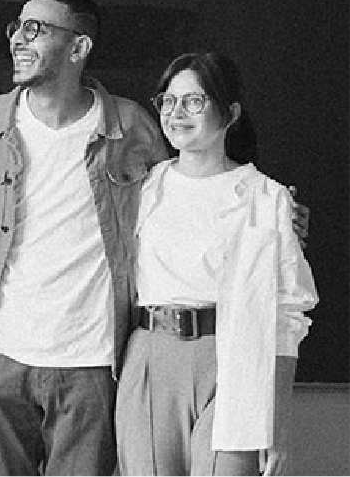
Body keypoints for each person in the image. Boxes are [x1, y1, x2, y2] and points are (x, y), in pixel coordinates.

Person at [0, 0, 167, 477]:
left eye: (35, 29)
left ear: (78, 47)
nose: (17, 39)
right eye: (16, 27)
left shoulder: (130, 125)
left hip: (90, 360)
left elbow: (183, 208)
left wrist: (271, 212)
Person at [114, 53, 318, 477]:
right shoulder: (142, 188)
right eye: (168, 101)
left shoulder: (268, 198)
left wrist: (277, 424)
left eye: (194, 101)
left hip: (235, 356)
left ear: (231, 113)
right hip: (151, 354)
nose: (177, 113)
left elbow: (287, 319)